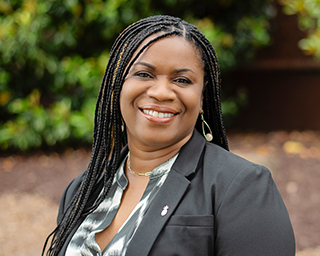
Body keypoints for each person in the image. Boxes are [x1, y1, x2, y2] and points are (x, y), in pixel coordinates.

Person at [42, 15, 295, 256]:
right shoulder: (84, 189)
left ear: (202, 95)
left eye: (182, 80)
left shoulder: (242, 187)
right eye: (144, 74)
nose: (162, 92)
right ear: (118, 85)